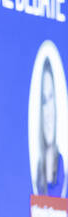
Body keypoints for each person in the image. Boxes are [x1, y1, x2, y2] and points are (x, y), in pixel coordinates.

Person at [36, 59, 66, 198]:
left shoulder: (62, 167)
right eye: (43, 101)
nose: (47, 111)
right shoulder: (36, 169)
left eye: (50, 98)